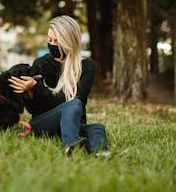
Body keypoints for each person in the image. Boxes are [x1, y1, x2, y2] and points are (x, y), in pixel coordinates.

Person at [9, 15, 109, 156]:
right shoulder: (40, 63)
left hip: (72, 124)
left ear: (69, 42)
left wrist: (38, 87)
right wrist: (30, 91)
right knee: (74, 104)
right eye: (50, 40)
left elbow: (77, 101)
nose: (52, 44)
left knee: (97, 127)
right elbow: (33, 109)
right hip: (43, 124)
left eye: (57, 41)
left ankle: (101, 153)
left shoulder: (87, 66)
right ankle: (70, 146)